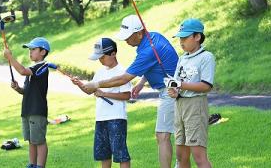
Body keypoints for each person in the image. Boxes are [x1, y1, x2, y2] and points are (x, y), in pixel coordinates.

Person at [83, 15, 179, 168]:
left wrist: (96, 84)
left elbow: (123, 79)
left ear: (139, 33)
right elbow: (156, 66)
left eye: (128, 37)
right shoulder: (153, 37)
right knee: (177, 135)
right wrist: (142, 82)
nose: (125, 41)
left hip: (171, 91)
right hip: (174, 88)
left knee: (162, 135)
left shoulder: (147, 50)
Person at [71, 38, 132, 168]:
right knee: (103, 154)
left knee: (121, 154)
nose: (100, 60)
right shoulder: (100, 72)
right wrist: (79, 84)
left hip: (116, 118)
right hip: (101, 118)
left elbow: (127, 95)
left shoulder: (123, 72)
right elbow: (90, 91)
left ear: (113, 53)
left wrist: (104, 94)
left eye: (102, 57)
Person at [167, 18, 215, 168]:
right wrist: (174, 91)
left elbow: (206, 86)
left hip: (195, 106)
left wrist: (181, 85)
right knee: (181, 157)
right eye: (180, 38)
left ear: (197, 37)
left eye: (185, 38)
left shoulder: (206, 57)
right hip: (179, 106)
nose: (181, 42)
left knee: (199, 157)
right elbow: (177, 83)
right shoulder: (182, 59)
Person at [3, 37, 51, 168]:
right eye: (29, 50)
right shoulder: (32, 69)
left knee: (39, 141)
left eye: (33, 49)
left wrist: (10, 57)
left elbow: (22, 71)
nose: (30, 52)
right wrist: (18, 88)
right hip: (27, 110)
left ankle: (40, 166)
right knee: (31, 140)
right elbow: (27, 91)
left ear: (43, 52)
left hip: (37, 110)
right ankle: (32, 164)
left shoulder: (42, 66)